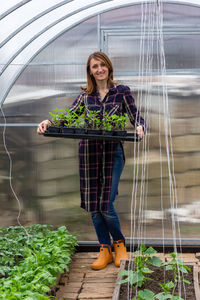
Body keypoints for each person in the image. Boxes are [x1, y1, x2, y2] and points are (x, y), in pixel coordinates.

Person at [37, 51, 145, 270]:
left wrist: (140, 126)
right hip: (89, 153)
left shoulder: (121, 92)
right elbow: (67, 117)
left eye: (102, 65)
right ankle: (105, 249)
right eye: (95, 66)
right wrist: (48, 121)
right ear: (90, 71)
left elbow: (135, 116)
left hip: (112, 152)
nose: (99, 69)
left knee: (106, 203)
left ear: (109, 67)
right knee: (94, 206)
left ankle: (120, 244)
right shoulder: (85, 96)